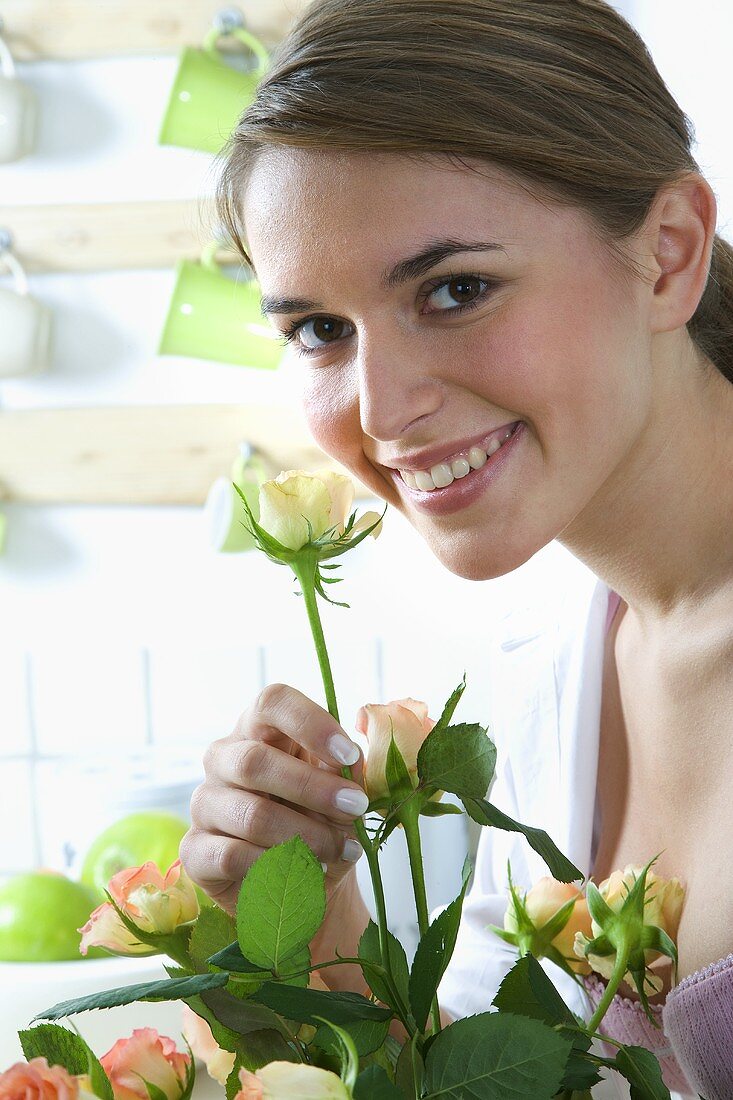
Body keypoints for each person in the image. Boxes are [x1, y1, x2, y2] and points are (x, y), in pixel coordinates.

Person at [178, 2, 733, 1095]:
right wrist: (327, 952)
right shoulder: (543, 700)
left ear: (667, 255)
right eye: (318, 331)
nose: (381, 409)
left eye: (454, 290)